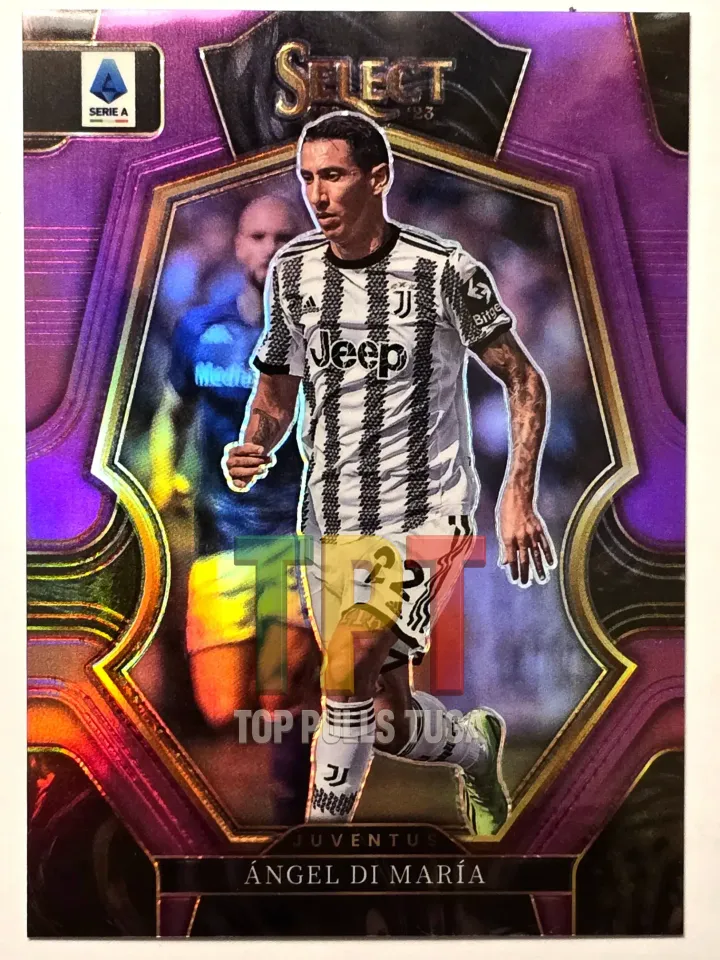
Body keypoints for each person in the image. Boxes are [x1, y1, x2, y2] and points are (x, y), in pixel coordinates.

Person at [222, 112, 556, 836]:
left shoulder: (442, 271)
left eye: (334, 175)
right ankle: (473, 747)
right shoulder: (294, 273)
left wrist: (517, 496)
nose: (318, 194)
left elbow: (523, 380)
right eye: (308, 178)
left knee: (343, 670)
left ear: (378, 178)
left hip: (425, 514)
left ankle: (319, 845)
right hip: (329, 518)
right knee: (382, 714)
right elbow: (276, 394)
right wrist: (255, 442)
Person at [149, 195, 321, 823]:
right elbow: (171, 415)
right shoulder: (200, 330)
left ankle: (293, 820)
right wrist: (165, 478)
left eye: (284, 237)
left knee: (280, 696)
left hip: (295, 535)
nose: (271, 249)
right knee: (223, 709)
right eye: (258, 236)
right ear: (238, 246)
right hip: (221, 538)